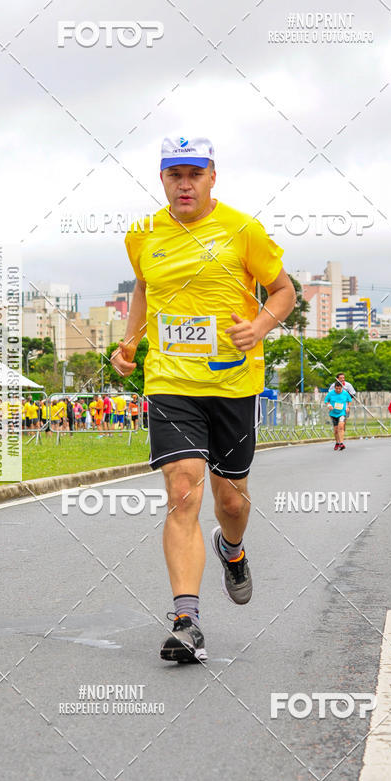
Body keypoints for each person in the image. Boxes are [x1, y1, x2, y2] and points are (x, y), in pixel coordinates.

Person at [110, 135, 295, 663]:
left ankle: (232, 550)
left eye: (195, 174)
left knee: (230, 501)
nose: (184, 184)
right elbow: (143, 289)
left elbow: (284, 291)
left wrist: (259, 326)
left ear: (213, 176)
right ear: (162, 178)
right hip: (171, 382)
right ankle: (186, 620)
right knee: (182, 490)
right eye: (175, 174)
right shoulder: (142, 234)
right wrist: (130, 342)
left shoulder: (243, 229)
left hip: (233, 384)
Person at [323, 380, 352, 450]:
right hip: (333, 413)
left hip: (342, 413)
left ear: (342, 388)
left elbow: (349, 400)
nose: (338, 390)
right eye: (336, 388)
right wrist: (329, 405)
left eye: (339, 388)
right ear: (334, 388)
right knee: (336, 430)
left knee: (341, 427)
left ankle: (341, 443)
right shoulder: (331, 393)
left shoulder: (345, 393)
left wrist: (348, 407)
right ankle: (337, 443)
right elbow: (326, 401)